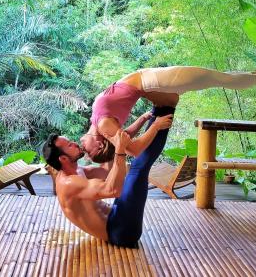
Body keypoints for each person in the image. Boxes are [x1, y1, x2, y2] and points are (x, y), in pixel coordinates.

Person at [80, 64, 256, 162]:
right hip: (155, 82)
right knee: (217, 78)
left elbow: (126, 138)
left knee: (217, 77)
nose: (83, 148)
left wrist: (143, 118)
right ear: (99, 145)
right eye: (87, 152)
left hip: (153, 82)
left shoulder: (99, 123)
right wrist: (154, 125)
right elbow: (133, 150)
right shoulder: (103, 127)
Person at [43, 106, 175, 247]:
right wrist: (153, 128)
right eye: (70, 145)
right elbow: (113, 190)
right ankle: (166, 110)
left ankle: (159, 110)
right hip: (120, 231)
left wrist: (140, 121)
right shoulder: (69, 183)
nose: (75, 143)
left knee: (134, 167)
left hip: (116, 215)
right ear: (63, 159)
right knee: (138, 168)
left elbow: (108, 171)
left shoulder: (77, 171)